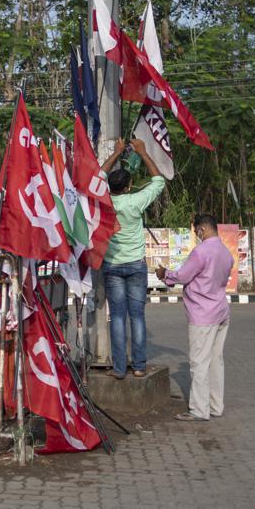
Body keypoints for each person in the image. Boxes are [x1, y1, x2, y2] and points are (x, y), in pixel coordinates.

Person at [154, 214, 233, 422]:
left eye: (196, 231)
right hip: (221, 311)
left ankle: (199, 409)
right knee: (216, 361)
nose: (196, 235)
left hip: (202, 315)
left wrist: (164, 273)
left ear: (202, 230)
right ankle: (215, 406)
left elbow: (183, 276)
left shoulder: (201, 252)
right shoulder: (226, 252)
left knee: (199, 362)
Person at [100, 137, 166, 379]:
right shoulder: (136, 201)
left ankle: (119, 368)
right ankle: (138, 366)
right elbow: (158, 181)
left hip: (112, 265)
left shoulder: (104, 201)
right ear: (128, 187)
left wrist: (117, 153)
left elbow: (96, 177)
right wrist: (143, 152)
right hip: (136, 265)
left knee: (117, 317)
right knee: (137, 316)